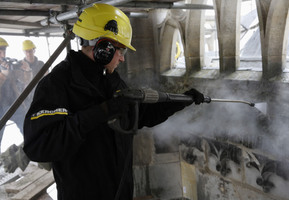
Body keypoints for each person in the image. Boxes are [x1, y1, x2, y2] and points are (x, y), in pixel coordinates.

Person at [23, 3, 205, 200]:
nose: (122, 59)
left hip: (120, 193)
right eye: (121, 51)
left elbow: (139, 114)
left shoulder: (110, 79)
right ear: (103, 48)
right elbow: (39, 146)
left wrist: (180, 101)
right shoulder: (57, 84)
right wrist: (99, 113)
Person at [0, 37, 31, 173]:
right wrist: (3, 75)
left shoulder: (7, 64)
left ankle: (33, 153)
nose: (2, 54)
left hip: (13, 104)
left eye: (4, 50)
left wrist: (26, 70)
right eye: (0, 50)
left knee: (29, 129)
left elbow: (24, 80)